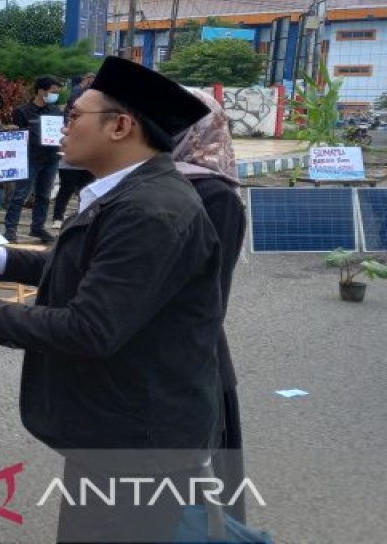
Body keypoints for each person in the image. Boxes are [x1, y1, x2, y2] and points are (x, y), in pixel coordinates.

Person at [0, 56, 222, 544]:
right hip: (117, 425)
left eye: (74, 117)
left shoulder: (150, 212)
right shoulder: (126, 193)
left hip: (138, 438)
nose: (61, 128)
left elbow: (88, 328)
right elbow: (81, 267)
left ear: (121, 126)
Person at [173, 88, 249, 525]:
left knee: (197, 511)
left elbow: (205, 301)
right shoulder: (150, 181)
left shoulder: (214, 196)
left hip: (189, 367)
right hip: (159, 375)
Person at [3, 75, 63, 243]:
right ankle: (10, 229)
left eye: (57, 92)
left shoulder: (55, 111)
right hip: (30, 159)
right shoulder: (22, 111)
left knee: (44, 195)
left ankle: (38, 228)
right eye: (53, 91)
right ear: (41, 91)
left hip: (51, 158)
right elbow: (16, 137)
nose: (55, 95)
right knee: (20, 194)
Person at [52, 73, 96, 229]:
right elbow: (61, 139)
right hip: (70, 163)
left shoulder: (98, 123)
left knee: (87, 191)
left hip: (89, 163)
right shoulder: (67, 123)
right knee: (66, 190)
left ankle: (83, 218)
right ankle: (57, 217)